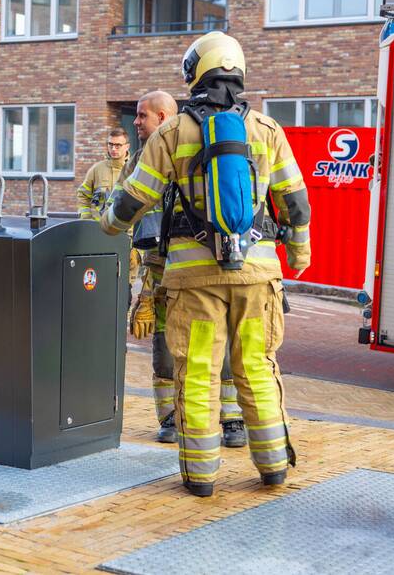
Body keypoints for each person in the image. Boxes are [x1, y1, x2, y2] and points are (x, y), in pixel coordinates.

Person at [101, 32, 312, 497]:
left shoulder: (173, 133)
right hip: (258, 277)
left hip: (194, 281)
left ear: (196, 73)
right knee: (256, 365)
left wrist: (109, 224)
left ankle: (201, 475)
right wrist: (298, 253)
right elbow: (296, 203)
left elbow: (136, 198)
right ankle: (273, 466)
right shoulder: (267, 130)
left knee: (198, 370)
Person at [120, 91, 246, 448]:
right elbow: (128, 204)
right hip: (162, 268)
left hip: (197, 264)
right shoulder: (141, 158)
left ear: (162, 117)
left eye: (142, 116)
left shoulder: (178, 145)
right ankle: (172, 417)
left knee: (214, 338)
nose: (136, 122)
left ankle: (230, 417)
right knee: (164, 341)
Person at [76, 128, 130, 220]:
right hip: (98, 228)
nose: (113, 149)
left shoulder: (134, 170)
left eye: (118, 145)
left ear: (127, 146)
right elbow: (83, 195)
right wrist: (86, 218)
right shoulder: (96, 169)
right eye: (110, 144)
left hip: (125, 229)